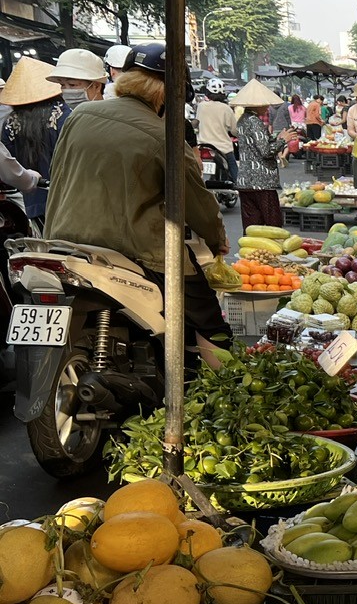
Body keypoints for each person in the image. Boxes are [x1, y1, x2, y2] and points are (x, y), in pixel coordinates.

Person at [43, 43, 231, 365]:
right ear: (169, 93)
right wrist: (217, 242)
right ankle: (229, 393)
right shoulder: (166, 136)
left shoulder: (81, 116)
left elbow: (57, 172)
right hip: (135, 251)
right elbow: (198, 206)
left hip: (62, 242)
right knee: (207, 315)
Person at [0, 58, 68, 225]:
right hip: (67, 197)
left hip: (33, 200)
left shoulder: (11, 122)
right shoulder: (65, 114)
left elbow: (8, 160)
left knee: (44, 248)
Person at [230, 79, 296, 230]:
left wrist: (277, 138)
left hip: (245, 181)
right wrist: (282, 141)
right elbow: (265, 151)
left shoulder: (242, 120)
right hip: (262, 181)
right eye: (265, 104)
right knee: (273, 226)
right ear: (256, 104)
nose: (267, 107)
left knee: (252, 227)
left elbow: (257, 144)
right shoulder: (255, 121)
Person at [196, 77, 239, 183]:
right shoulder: (226, 108)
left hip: (203, 146)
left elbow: (197, 123)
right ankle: (239, 188)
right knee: (234, 171)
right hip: (223, 148)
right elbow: (234, 130)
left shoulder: (200, 106)